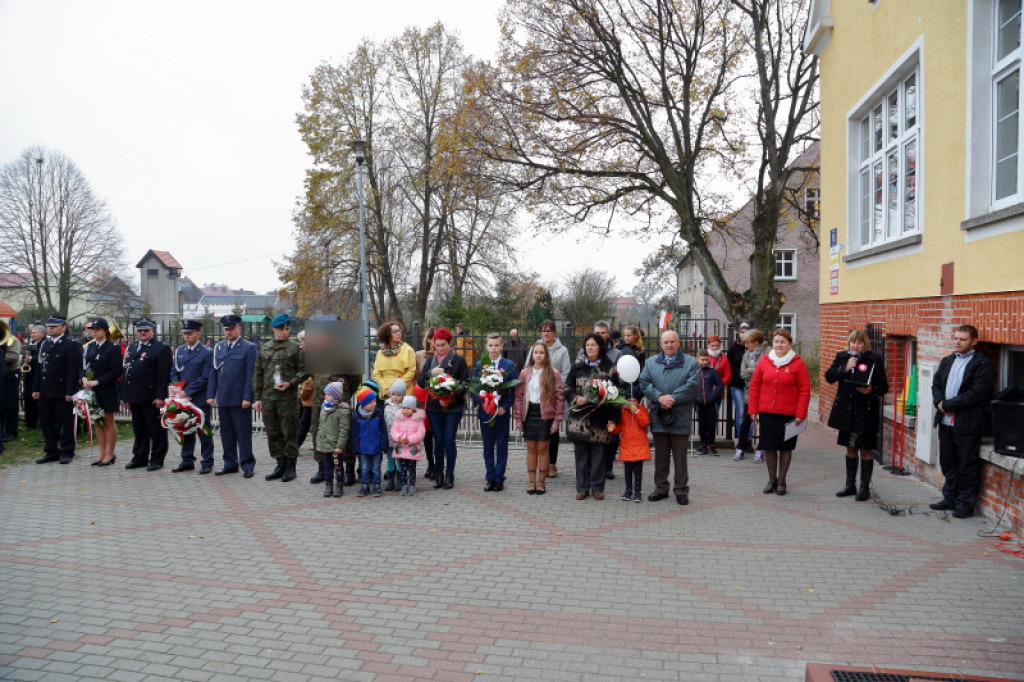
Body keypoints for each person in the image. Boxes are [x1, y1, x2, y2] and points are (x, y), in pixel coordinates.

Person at [929, 324, 996, 519]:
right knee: (948, 463)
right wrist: (939, 402)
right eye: (956, 338)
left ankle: (965, 505)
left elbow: (977, 393)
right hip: (946, 422)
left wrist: (948, 404)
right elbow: (936, 384)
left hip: (968, 424)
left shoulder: (982, 364)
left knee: (967, 466)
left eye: (963, 339)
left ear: (974, 341)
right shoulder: (948, 360)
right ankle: (949, 498)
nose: (957, 342)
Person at [825, 329, 889, 501]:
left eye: (860, 343)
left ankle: (864, 488)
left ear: (865, 344)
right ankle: (850, 484)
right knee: (850, 447)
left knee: (866, 449)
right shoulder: (842, 358)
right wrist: (845, 367)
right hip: (847, 411)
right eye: (853, 342)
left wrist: (871, 390)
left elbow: (884, 387)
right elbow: (829, 377)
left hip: (866, 411)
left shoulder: (874, 360)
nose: (856, 345)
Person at [638, 330, 700, 505]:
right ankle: (661, 488)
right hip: (659, 414)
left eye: (672, 341)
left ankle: (681, 490)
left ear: (678, 343)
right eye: (666, 342)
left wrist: (672, 398)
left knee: (680, 455)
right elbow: (644, 383)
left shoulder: (691, 363)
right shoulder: (651, 363)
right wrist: (659, 397)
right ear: (661, 344)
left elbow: (692, 385)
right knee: (661, 455)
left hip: (680, 415)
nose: (669, 345)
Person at [747, 328, 811, 496]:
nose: (779, 345)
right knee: (769, 447)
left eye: (783, 342)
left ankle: (782, 481)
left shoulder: (797, 363)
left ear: (789, 344)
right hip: (767, 412)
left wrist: (800, 413)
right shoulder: (765, 361)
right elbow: (754, 386)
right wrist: (753, 409)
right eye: (776, 342)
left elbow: (805, 390)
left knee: (785, 448)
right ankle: (771, 480)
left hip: (789, 414)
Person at [564, 332, 620, 500]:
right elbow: (567, 388)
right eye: (587, 345)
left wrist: (614, 418)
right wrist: (575, 398)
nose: (590, 348)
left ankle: (597, 487)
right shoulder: (577, 366)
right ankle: (582, 487)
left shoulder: (609, 367)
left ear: (600, 347)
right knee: (581, 456)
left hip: (600, 418)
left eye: (593, 345)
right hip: (579, 419)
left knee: (599, 456)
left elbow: (616, 394)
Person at [253, 314, 307, 483]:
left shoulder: (295, 348)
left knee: (289, 433)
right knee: (273, 433)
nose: (285, 331)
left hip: (287, 399)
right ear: (274, 329)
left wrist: (290, 383)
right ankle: (280, 465)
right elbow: (258, 373)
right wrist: (257, 398)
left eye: (287, 328)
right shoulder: (265, 348)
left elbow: (305, 371)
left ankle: (291, 468)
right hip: (268, 398)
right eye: (281, 329)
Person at [417, 327, 469, 490]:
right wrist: (431, 373)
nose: (439, 348)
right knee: (438, 440)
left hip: (453, 407)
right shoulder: (431, 361)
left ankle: (450, 474)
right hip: (433, 406)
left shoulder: (458, 360)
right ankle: (438, 473)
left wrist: (450, 399)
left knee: (448, 440)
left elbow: (465, 383)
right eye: (437, 345)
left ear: (449, 343)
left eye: (443, 345)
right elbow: (420, 382)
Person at [206, 315, 258, 477]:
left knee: (243, 434)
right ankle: (230, 463)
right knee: (226, 434)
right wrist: (210, 394)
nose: (228, 332)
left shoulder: (248, 348)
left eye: (231, 329)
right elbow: (213, 373)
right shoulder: (219, 347)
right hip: (224, 398)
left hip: (239, 399)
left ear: (238, 329)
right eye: (226, 330)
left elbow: (251, 375)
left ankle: (247, 465)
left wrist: (248, 398)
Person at [513, 342, 565, 495]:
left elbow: (559, 398)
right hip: (529, 414)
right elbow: (518, 396)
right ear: (532, 354)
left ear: (546, 355)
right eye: (535, 352)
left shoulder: (553, 373)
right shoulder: (525, 373)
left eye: (541, 352)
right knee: (531, 449)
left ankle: (541, 483)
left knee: (543, 449)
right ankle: (531, 482)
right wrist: (517, 418)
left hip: (545, 415)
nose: (538, 355)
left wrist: (557, 420)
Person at [121, 318, 172, 471]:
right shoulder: (132, 348)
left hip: (151, 397)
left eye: (145, 330)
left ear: (152, 331)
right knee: (139, 430)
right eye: (140, 331)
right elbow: (126, 373)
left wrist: (160, 396)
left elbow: (164, 375)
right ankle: (140, 457)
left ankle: (157, 459)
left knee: (156, 430)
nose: (142, 333)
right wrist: (125, 396)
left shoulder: (161, 348)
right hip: (135, 395)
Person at [32, 315, 84, 465]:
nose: (50, 328)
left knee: (66, 422)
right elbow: (40, 368)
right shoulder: (45, 344)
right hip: (45, 389)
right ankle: (51, 450)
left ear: (63, 327)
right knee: (47, 422)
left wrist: (70, 391)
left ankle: (67, 450)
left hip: (62, 390)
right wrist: (36, 388)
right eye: (49, 325)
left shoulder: (71, 344)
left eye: (54, 326)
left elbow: (73, 370)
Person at [473, 333, 519, 492]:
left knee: (501, 445)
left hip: (501, 413)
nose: (493, 349)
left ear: (501, 346)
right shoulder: (480, 365)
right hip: (486, 412)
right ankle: (490, 477)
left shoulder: (508, 365)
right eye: (490, 345)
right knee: (487, 446)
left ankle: (499, 478)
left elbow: (513, 390)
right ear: (486, 347)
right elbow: (475, 389)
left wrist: (504, 407)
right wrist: (483, 404)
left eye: (496, 345)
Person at [170, 319, 215, 474]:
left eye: (190, 333)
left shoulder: (206, 352)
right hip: (182, 397)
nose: (187, 336)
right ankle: (187, 460)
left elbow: (205, 376)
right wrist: (177, 388)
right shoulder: (180, 351)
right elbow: (174, 371)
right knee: (185, 427)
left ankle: (207, 461)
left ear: (198, 334)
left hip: (199, 397)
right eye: (185, 334)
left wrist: (188, 391)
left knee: (203, 430)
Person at [82, 318, 123, 466]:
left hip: (107, 390)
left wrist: (98, 381)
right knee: (96, 421)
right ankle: (102, 453)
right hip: (92, 391)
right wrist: (84, 378)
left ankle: (110, 454)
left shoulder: (113, 348)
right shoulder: (90, 347)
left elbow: (116, 370)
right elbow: (84, 365)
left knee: (108, 421)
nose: (94, 331)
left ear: (105, 331)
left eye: (97, 329)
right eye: (92, 329)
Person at [536, 319, 571, 479]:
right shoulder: (535, 348)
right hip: (536, 396)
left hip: (553, 396)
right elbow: (529, 367)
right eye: (543, 330)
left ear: (554, 332)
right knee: (538, 430)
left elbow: (566, 373)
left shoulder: (562, 351)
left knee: (552, 431)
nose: (546, 333)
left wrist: (552, 387)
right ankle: (540, 463)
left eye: (549, 330)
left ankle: (552, 464)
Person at [610, 385, 650, 502]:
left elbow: (644, 422)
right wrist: (612, 427)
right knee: (627, 470)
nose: (631, 402)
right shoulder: (622, 412)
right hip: (627, 445)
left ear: (638, 401)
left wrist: (636, 411)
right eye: (629, 400)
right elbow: (619, 429)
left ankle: (637, 491)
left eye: (634, 400)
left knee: (638, 470)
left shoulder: (642, 409)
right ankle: (628, 490)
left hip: (639, 445)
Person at [315, 381, 351, 498]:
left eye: (328, 395)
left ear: (336, 396)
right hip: (325, 445)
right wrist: (320, 442)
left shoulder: (342, 410)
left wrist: (340, 446)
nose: (326, 397)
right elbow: (321, 426)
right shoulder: (324, 407)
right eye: (325, 394)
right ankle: (328, 484)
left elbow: (343, 431)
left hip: (335, 446)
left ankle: (339, 484)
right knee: (327, 466)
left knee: (337, 466)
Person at [351, 387, 389, 497]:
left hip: (377, 448)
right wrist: (355, 449)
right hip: (363, 449)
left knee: (376, 468)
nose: (374, 404)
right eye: (371, 402)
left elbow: (383, 431)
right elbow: (354, 434)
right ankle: (365, 486)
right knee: (364, 468)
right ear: (363, 404)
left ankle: (377, 485)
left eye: (375, 401)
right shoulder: (356, 417)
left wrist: (384, 446)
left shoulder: (378, 414)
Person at [740, 329, 770, 462]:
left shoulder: (768, 352)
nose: (746, 345)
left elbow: (766, 370)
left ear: (756, 341)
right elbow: (742, 373)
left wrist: (751, 370)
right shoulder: (746, 354)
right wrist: (757, 371)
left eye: (748, 342)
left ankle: (761, 449)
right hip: (750, 391)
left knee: (764, 423)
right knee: (745, 422)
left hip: (765, 392)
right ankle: (740, 448)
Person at [390, 395, 426, 496]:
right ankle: (404, 485)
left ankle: (412, 485)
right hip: (401, 448)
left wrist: (410, 439)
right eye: (404, 408)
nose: (405, 410)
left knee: (412, 468)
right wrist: (398, 437)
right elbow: (394, 430)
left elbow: (421, 433)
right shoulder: (398, 419)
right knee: (402, 469)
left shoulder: (418, 420)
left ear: (413, 410)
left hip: (412, 449)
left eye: (408, 408)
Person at [415, 327, 437, 481]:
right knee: (427, 434)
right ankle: (430, 463)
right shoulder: (419, 355)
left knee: (439, 434)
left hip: (439, 398)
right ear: (428, 339)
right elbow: (416, 375)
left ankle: (438, 465)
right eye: (434, 338)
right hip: (422, 398)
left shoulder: (445, 356)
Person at [372, 321, 416, 397]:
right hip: (387, 393)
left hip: (403, 393)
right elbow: (376, 374)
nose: (398, 333)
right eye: (394, 332)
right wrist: (385, 389)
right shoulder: (380, 353)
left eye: (399, 331)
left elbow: (411, 371)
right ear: (387, 334)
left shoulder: (408, 350)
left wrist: (397, 387)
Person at [694, 348, 725, 455]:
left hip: (711, 403)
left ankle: (711, 445)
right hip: (699, 403)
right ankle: (703, 445)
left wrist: (713, 396)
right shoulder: (693, 371)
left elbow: (720, 385)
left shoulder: (712, 371)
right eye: (702, 360)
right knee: (702, 425)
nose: (705, 362)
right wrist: (694, 398)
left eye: (706, 360)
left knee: (711, 424)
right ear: (697, 358)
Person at [727, 323, 751, 459]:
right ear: (738, 334)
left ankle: (748, 441)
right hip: (737, 386)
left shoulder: (753, 349)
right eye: (742, 332)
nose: (744, 334)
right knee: (741, 412)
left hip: (751, 386)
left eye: (746, 331)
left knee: (750, 414)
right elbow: (728, 366)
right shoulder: (733, 349)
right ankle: (741, 440)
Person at [382, 379, 407, 491]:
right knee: (390, 459)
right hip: (389, 439)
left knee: (400, 460)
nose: (395, 397)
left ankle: (400, 480)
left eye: (398, 395)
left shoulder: (404, 408)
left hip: (400, 440)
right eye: (393, 394)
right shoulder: (386, 406)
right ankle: (391, 480)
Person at [0, 320, 22, 442]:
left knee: (10, 404)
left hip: (10, 373)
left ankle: (11, 432)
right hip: (1, 374)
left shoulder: (12, 339)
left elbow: (13, 356)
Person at [21, 325, 45, 431]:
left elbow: (43, 358)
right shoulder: (32, 343)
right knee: (28, 398)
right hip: (30, 374)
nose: (32, 334)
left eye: (34, 333)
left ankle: (39, 423)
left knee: (37, 400)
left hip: (38, 374)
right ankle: (30, 422)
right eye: (32, 333)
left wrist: (33, 359)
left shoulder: (44, 343)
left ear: (42, 334)